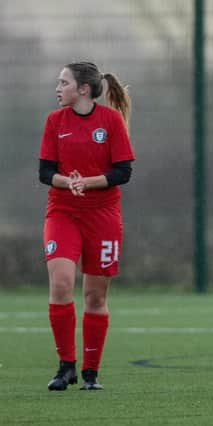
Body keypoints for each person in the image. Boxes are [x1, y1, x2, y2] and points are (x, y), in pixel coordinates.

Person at [39, 61, 135, 390]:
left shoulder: (110, 121)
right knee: (62, 284)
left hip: (103, 217)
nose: (57, 88)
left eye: (62, 82)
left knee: (95, 296)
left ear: (83, 89)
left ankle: (91, 373)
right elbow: (44, 172)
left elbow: (123, 172)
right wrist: (68, 182)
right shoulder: (54, 121)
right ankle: (66, 366)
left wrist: (88, 183)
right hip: (62, 212)